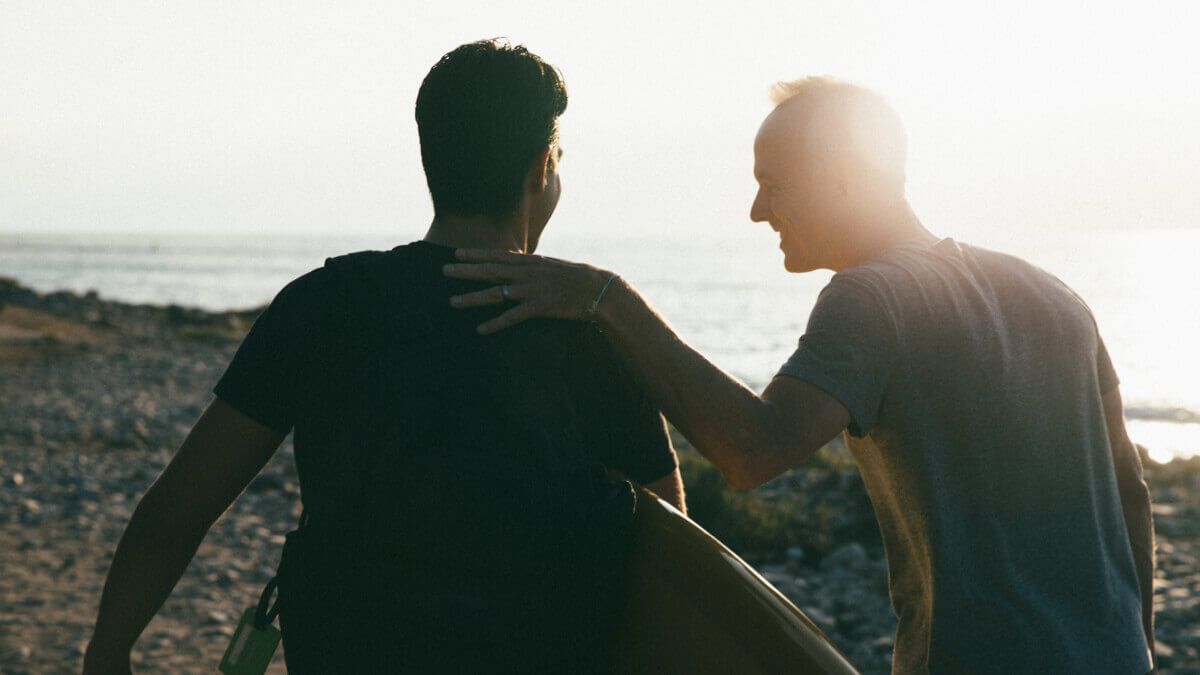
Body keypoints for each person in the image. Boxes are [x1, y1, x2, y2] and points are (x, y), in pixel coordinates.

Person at [443, 77, 1156, 674]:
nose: (757, 211)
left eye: (772, 185)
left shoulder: (872, 298)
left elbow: (753, 451)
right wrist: (1138, 643)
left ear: (843, 178)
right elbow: (1130, 496)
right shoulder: (1055, 295)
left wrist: (608, 301)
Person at [83, 39, 684, 674]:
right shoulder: (591, 334)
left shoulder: (324, 304)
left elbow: (181, 506)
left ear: (433, 158)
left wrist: (109, 648)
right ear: (541, 168)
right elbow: (672, 552)